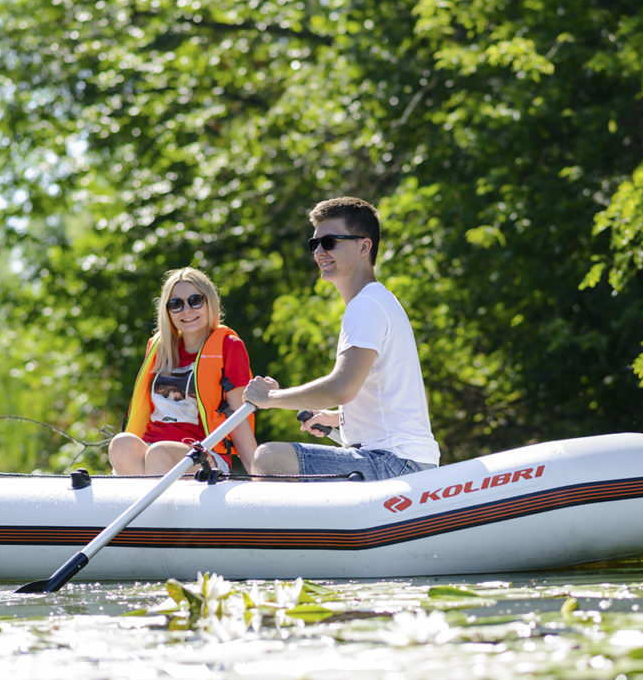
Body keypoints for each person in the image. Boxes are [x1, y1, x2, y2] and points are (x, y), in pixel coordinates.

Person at [242, 196, 439, 480]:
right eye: (315, 244)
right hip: (408, 461)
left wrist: (269, 397)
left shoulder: (366, 305)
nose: (320, 251)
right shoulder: (378, 301)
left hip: (395, 465)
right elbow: (395, 398)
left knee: (270, 458)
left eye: (330, 241)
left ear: (363, 246)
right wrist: (337, 419)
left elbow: (341, 389)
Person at [109, 267, 257, 475]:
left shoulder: (229, 346)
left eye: (195, 300)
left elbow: (238, 416)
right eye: (176, 304)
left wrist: (258, 472)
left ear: (209, 302)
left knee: (160, 454)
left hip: (204, 455)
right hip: (152, 448)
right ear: (167, 311)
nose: (186, 310)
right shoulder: (158, 347)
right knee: (121, 444)